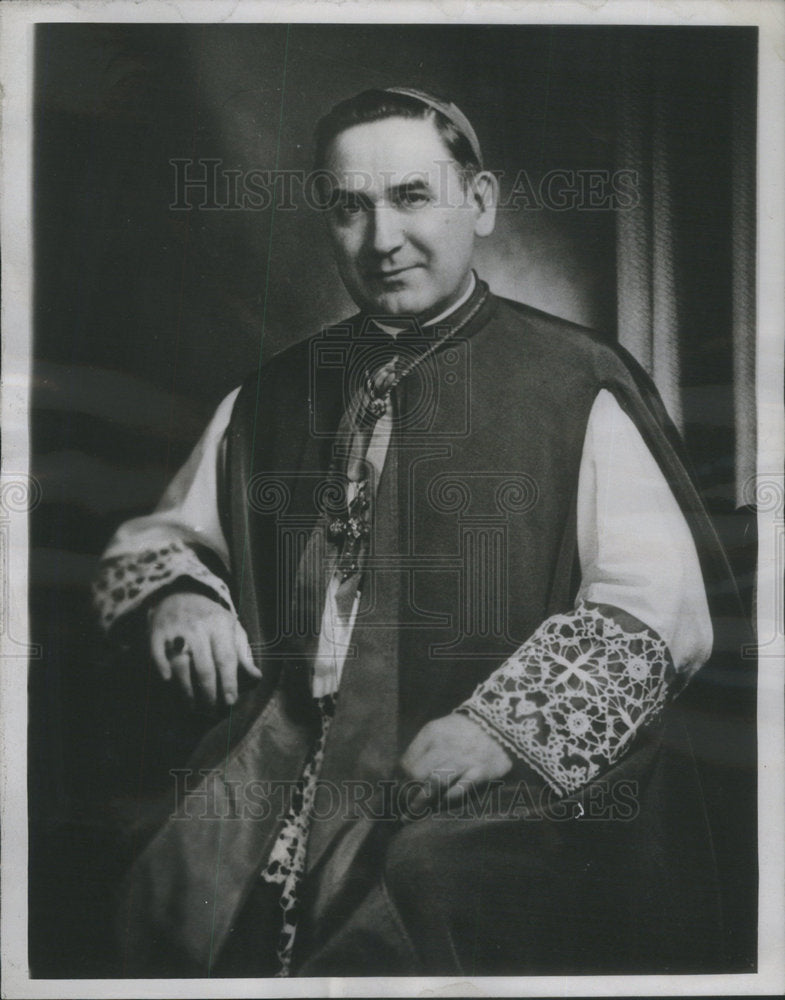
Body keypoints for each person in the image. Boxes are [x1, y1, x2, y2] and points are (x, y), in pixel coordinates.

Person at [94, 87, 742, 977]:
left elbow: (657, 614)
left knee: (420, 888)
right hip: (292, 745)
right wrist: (177, 598)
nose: (380, 239)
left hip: (486, 763)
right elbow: (160, 539)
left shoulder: (573, 380)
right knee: (148, 867)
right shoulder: (276, 391)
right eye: (349, 207)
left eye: (410, 197)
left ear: (478, 203)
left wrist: (502, 729)